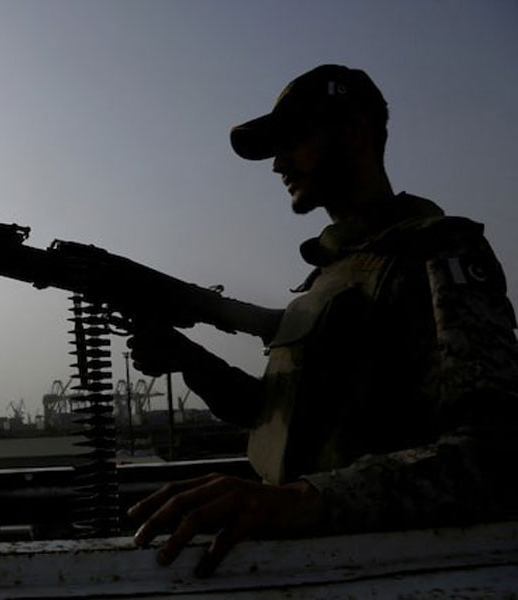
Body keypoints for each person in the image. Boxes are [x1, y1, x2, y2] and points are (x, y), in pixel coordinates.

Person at [126, 64, 518, 577]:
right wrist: (189, 361)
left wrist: (303, 501)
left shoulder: (437, 252)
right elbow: (287, 415)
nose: (277, 164)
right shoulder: (329, 275)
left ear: (354, 131)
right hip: (312, 563)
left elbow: (495, 457)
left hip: (394, 571)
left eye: (293, 140)